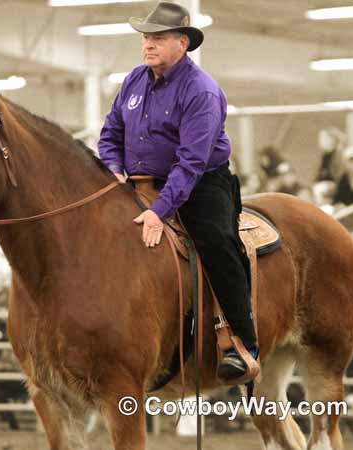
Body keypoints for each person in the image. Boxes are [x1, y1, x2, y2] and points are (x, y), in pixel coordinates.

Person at [98, 1, 257, 382]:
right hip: (136, 181)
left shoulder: (201, 91)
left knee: (216, 241)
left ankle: (241, 342)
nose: (147, 45)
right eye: (145, 38)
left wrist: (159, 211)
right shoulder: (134, 81)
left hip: (200, 184)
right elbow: (110, 133)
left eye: (157, 38)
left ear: (182, 43)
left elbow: (191, 163)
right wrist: (113, 169)